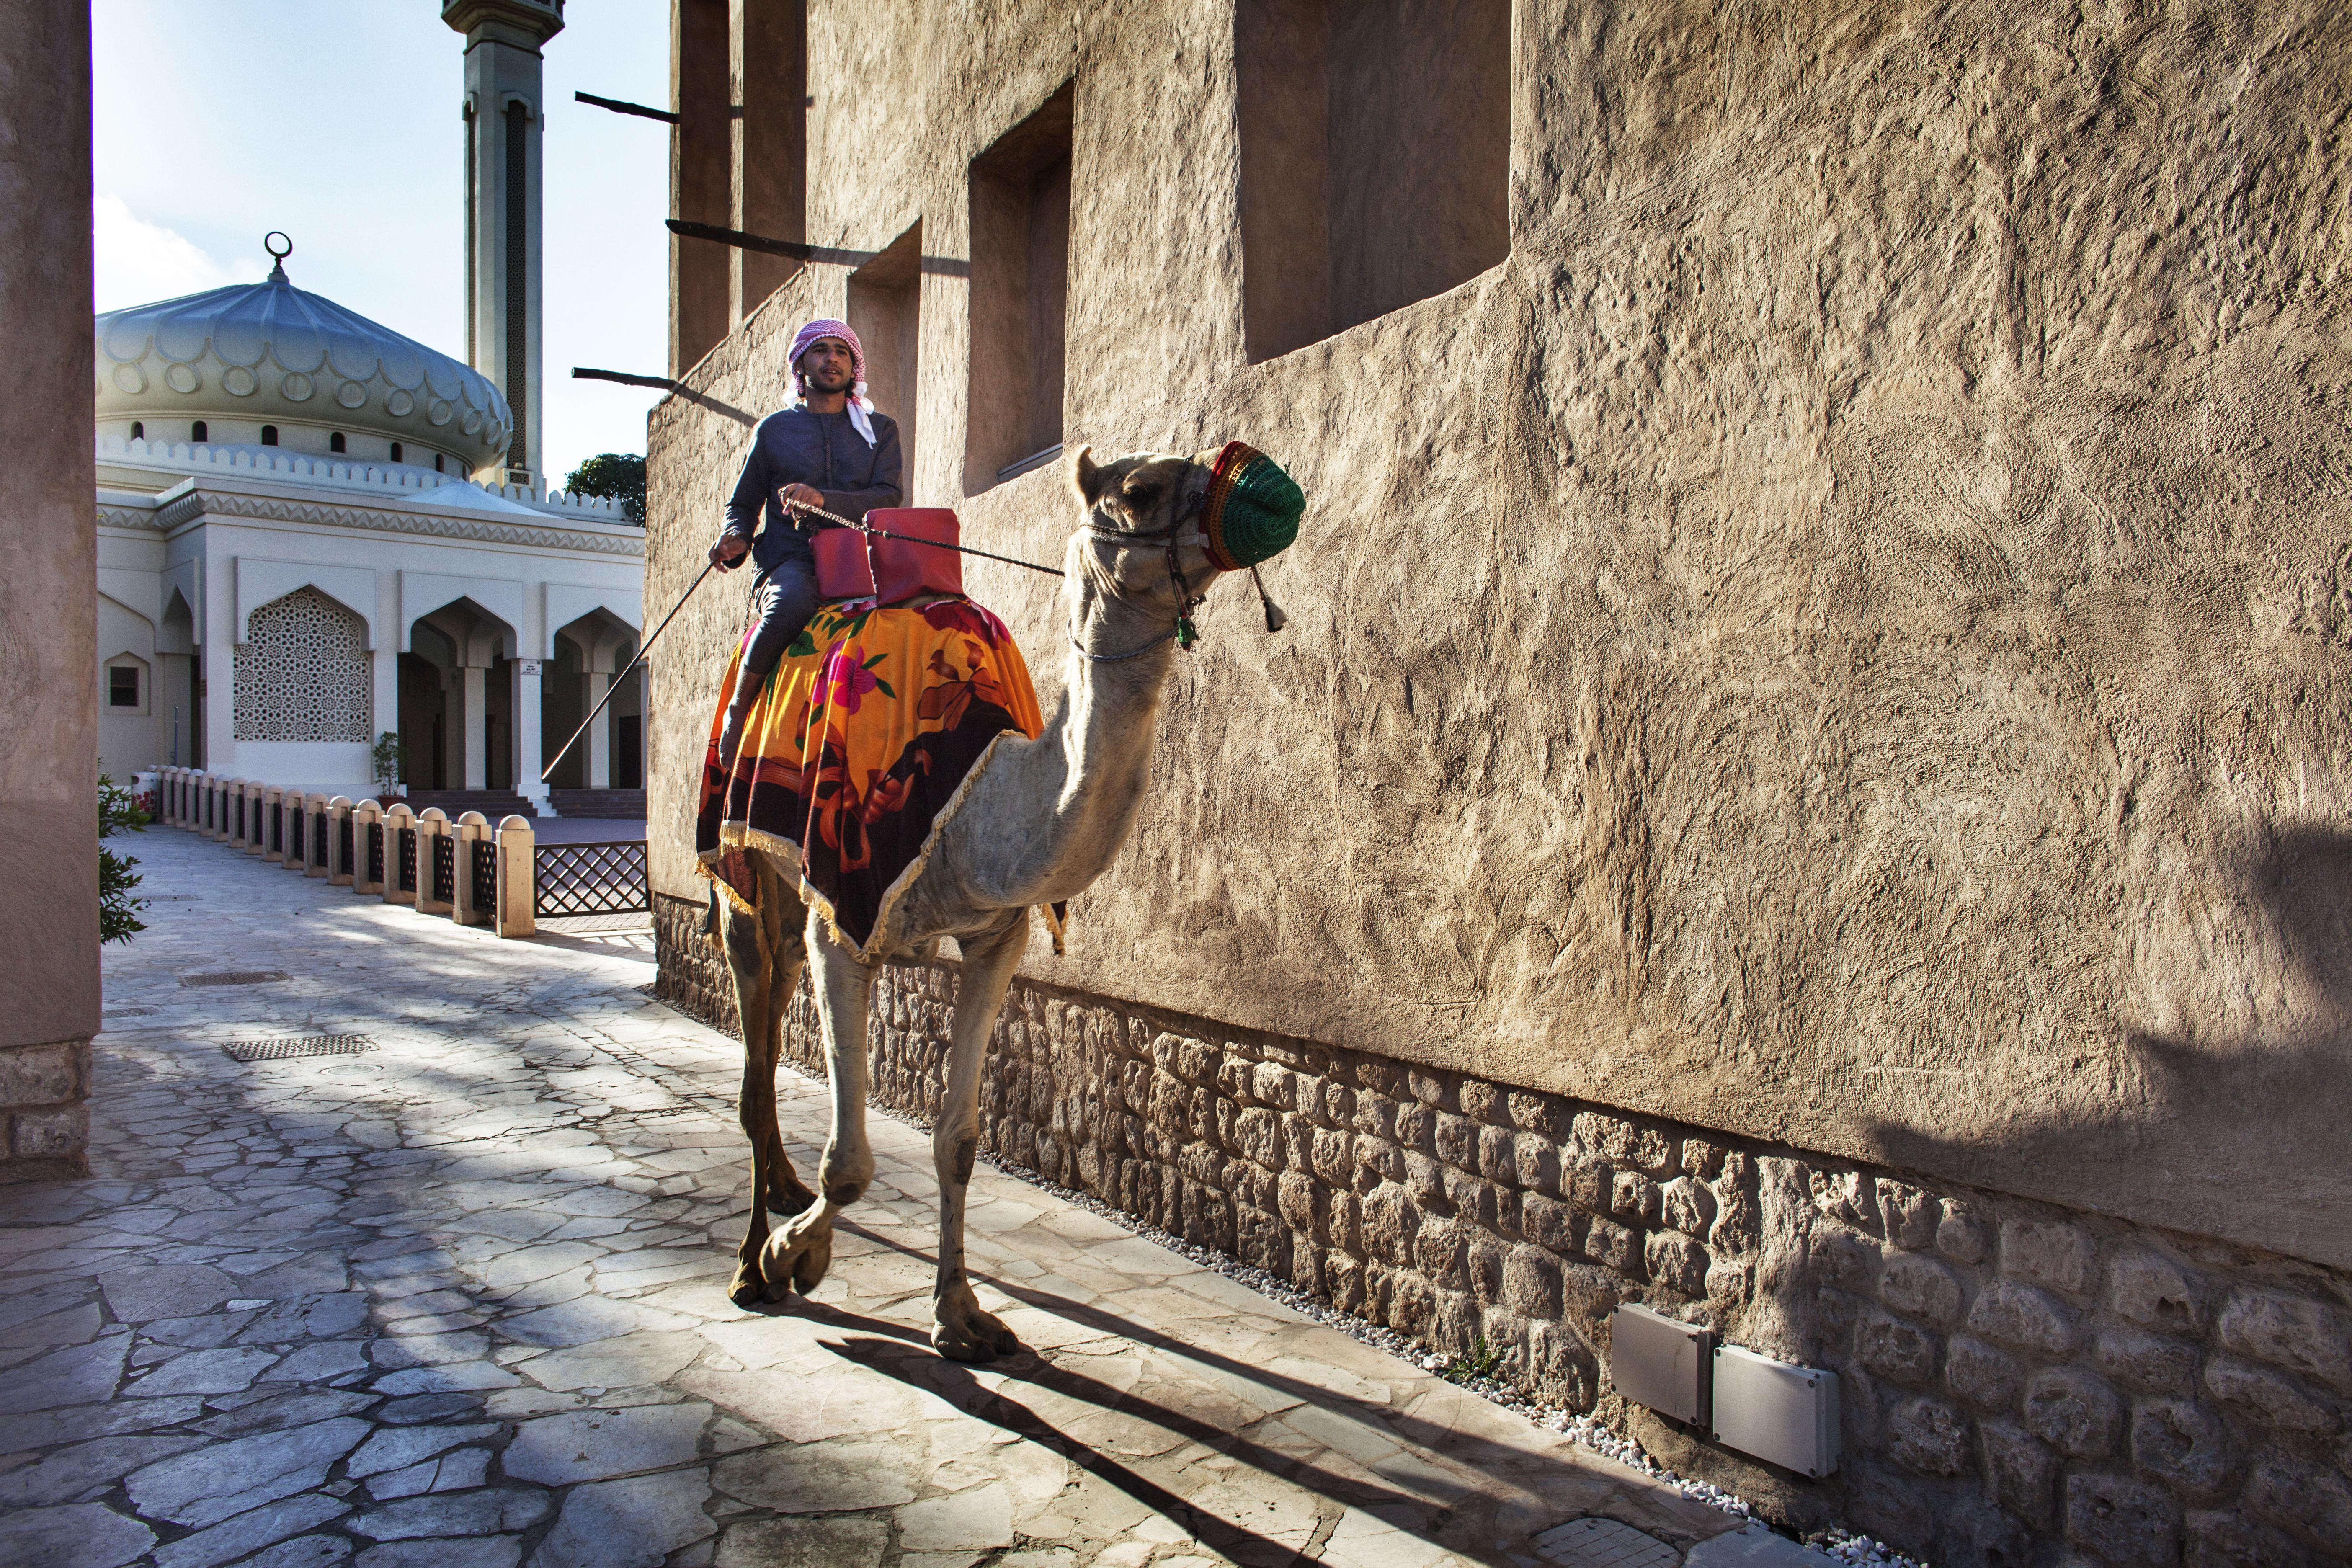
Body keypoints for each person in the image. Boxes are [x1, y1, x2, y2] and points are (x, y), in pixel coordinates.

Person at [709, 319, 903, 764]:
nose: (832, 358)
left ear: (855, 365)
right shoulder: (773, 431)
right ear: (801, 366)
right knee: (793, 601)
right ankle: (740, 711)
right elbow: (742, 505)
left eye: (841, 351)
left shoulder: (882, 429)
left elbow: (890, 497)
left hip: (862, 558)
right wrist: (736, 536)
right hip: (789, 560)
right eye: (820, 351)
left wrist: (823, 499)